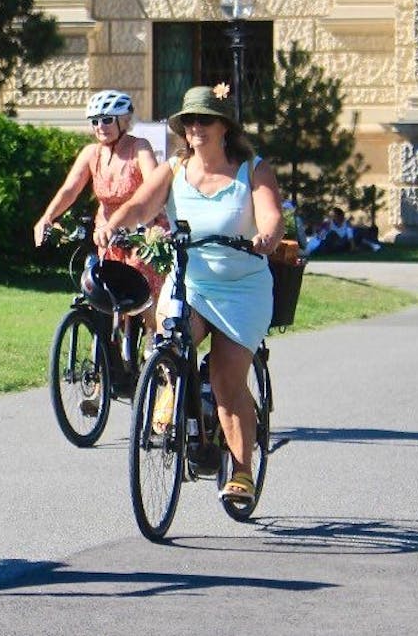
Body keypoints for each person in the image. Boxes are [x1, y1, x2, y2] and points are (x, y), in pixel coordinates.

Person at [99, 83, 282, 506]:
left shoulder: (252, 170)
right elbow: (141, 205)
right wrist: (116, 223)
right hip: (193, 282)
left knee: (225, 379)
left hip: (243, 289)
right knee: (169, 337)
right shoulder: (176, 167)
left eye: (206, 120)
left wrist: (266, 236)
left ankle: (240, 469)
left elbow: (272, 216)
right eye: (190, 121)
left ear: (224, 127)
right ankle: (168, 395)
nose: (197, 127)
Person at [33, 89, 168, 369]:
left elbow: (154, 184)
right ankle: (103, 373)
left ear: (124, 120)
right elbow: (70, 189)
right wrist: (47, 217)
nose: (100, 127)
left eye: (106, 120)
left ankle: (156, 346)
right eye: (94, 121)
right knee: (99, 291)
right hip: (105, 233)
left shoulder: (138, 147)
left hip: (142, 229)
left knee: (143, 283)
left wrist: (147, 224)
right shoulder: (91, 153)